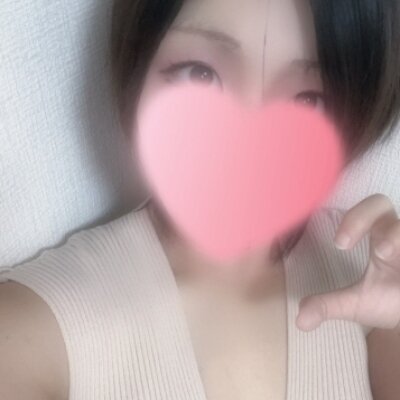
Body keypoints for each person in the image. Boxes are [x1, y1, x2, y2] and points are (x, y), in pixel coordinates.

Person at [1, 0, 400, 399]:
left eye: (308, 99)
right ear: (137, 63)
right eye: (201, 74)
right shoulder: (31, 327)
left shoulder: (372, 276)